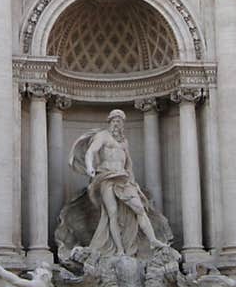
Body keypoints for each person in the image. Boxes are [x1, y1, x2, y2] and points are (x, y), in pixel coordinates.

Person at [72, 109, 168, 256]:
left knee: (140, 209)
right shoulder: (103, 136)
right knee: (112, 214)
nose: (117, 124)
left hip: (123, 179)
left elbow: (129, 163)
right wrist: (90, 167)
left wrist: (133, 181)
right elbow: (91, 151)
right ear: (110, 122)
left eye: (120, 121)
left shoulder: (124, 142)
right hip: (106, 177)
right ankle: (119, 249)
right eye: (115, 121)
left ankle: (153, 240)